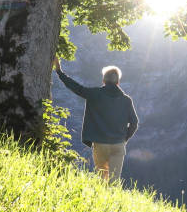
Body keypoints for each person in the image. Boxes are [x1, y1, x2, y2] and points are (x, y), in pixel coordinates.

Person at [53, 56, 138, 184]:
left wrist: (59, 71)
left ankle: (102, 200)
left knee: (102, 178)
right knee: (114, 181)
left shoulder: (94, 94)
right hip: (118, 145)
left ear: (103, 80)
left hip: (100, 144)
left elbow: (76, 87)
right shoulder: (126, 100)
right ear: (118, 82)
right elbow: (134, 123)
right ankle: (113, 202)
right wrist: (124, 138)